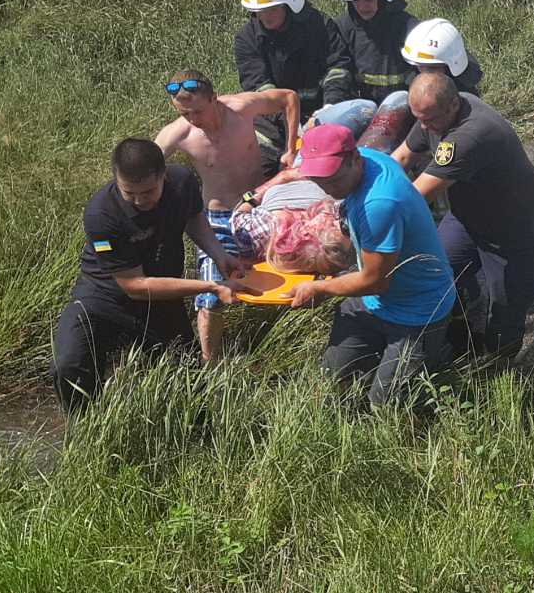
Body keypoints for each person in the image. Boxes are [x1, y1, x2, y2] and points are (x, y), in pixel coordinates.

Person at [51, 139, 244, 413]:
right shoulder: (101, 214)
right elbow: (135, 286)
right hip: (103, 297)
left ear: (163, 174)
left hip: (161, 295)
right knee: (69, 365)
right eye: (130, 193)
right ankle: (84, 428)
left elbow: (193, 218)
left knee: (187, 376)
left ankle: (191, 431)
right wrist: (211, 287)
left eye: (148, 191)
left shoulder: (182, 181)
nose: (140, 200)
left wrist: (219, 255)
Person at [392, 69, 534, 359]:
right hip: (469, 216)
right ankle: (462, 331)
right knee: (434, 269)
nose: (424, 127)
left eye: (430, 120)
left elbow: (414, 198)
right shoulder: (432, 113)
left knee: (505, 310)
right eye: (418, 118)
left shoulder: (472, 135)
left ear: (454, 105)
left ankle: (501, 368)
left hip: (515, 230)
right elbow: (402, 157)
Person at [286, 124, 458, 407]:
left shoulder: (379, 203)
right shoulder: (369, 157)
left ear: (354, 159)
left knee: (387, 405)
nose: (328, 189)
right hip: (374, 302)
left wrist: (320, 288)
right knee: (333, 379)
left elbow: (376, 280)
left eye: (333, 180)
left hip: (417, 311)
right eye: (319, 181)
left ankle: (438, 355)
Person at [154, 71, 300, 362]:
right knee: (211, 297)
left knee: (304, 260)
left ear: (214, 98)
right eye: (185, 112)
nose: (193, 118)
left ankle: (294, 335)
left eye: (198, 110)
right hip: (218, 219)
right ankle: (211, 365)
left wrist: (290, 150)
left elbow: (288, 97)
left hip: (263, 206)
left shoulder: (241, 108)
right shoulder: (178, 133)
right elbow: (145, 165)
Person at [233, 0, 348, 176]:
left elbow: (337, 69)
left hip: (321, 111)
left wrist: (330, 107)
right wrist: (292, 130)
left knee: (331, 167)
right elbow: (259, 86)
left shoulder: (320, 27)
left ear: (290, 4)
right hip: (272, 119)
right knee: (261, 166)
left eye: (272, 9)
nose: (266, 16)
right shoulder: (247, 39)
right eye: (260, 11)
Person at [325, 0, 485, 107]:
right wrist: (331, 105)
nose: (361, 7)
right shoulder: (342, 29)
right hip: (360, 110)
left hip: (406, 108)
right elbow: (338, 70)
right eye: (355, 1)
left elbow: (446, 60)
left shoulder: (407, 27)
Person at [399, 16, 486, 100]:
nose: (422, 72)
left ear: (452, 66)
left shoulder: (466, 102)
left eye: (431, 68)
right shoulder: (411, 83)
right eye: (418, 65)